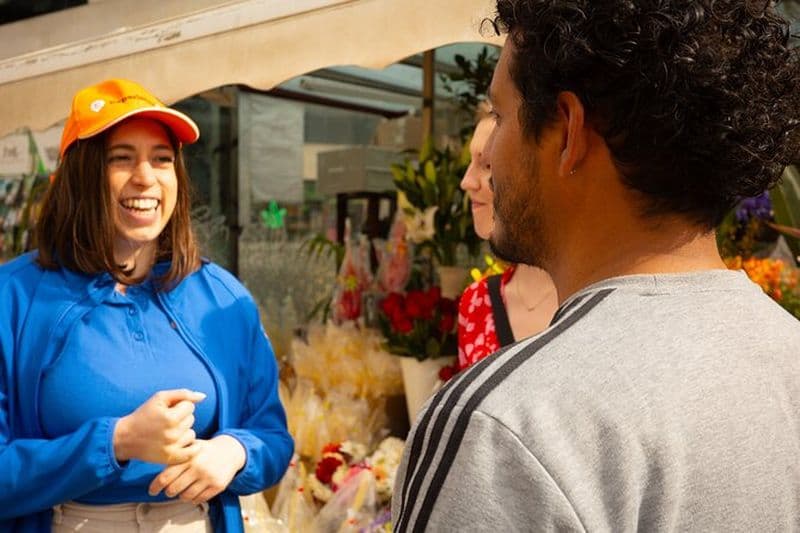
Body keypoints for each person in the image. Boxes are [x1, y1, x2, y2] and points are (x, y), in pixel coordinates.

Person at [393, 1, 800, 530]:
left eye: (500, 115)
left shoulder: (507, 425)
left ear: (567, 131)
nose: (487, 155)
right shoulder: (788, 357)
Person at [0, 79, 293, 532]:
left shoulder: (224, 298)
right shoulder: (12, 298)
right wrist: (116, 441)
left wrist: (233, 453)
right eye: (121, 158)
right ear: (80, 176)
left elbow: (272, 437)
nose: (146, 177)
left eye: (162, 159)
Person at [457, 101, 557, 370]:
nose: (466, 181)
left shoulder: (590, 298)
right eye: (471, 163)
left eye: (487, 164)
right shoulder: (477, 303)